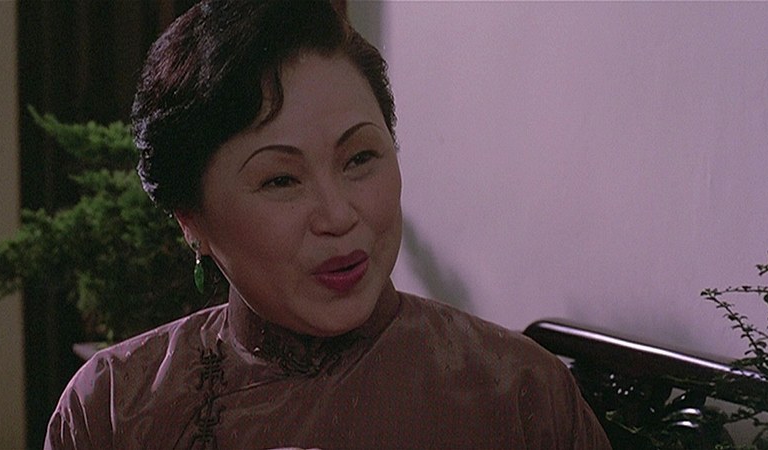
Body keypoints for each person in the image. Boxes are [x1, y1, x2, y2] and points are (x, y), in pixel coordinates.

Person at [45, 1, 611, 449]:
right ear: (191, 221)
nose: (339, 216)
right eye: (280, 180)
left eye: (360, 158)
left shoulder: (518, 394)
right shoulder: (113, 408)